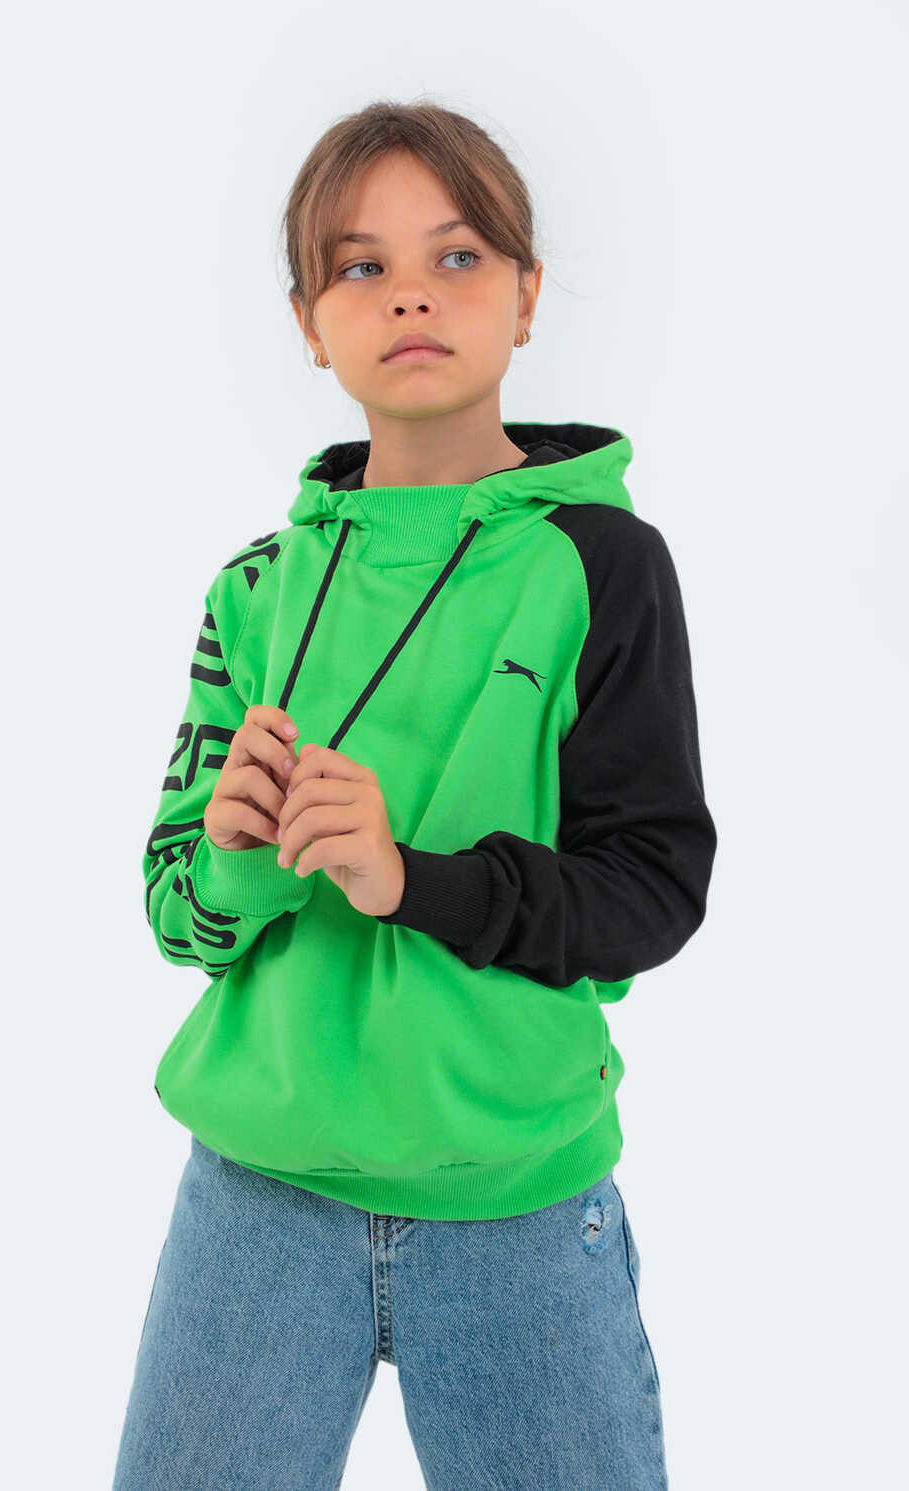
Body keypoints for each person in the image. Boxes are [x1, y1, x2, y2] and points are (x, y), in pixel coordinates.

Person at [113, 99, 717, 1491]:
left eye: (456, 257)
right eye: (359, 266)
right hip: (253, 1203)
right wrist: (242, 864)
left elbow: (650, 894)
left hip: (516, 1205)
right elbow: (171, 911)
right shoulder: (254, 588)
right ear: (308, 323)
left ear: (527, 296)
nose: (410, 297)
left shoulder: (601, 564)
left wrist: (409, 881)